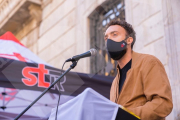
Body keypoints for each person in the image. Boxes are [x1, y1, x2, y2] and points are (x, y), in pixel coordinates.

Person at [104, 19, 173, 120]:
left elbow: (163, 104)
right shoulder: (114, 83)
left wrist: (125, 115)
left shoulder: (148, 62)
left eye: (114, 34)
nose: (109, 40)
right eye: (106, 38)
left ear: (129, 40)